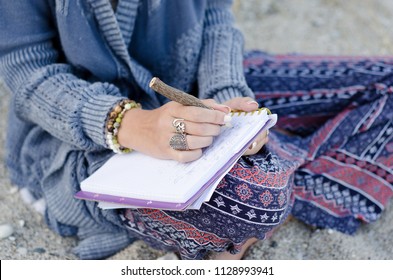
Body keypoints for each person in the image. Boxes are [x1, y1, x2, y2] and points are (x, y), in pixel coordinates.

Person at [0, 0, 392, 260]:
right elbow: (26, 68)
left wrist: (231, 101)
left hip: (192, 88)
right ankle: (282, 181)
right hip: (79, 137)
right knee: (258, 200)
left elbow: (216, 19)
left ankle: (276, 171)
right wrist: (131, 124)